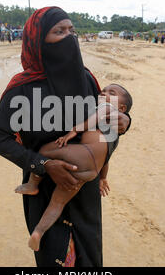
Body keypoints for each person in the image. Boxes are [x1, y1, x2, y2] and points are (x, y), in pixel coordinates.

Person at [0, 7, 131, 267]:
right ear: (38, 40)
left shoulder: (87, 80)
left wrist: (123, 123)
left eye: (71, 31)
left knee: (88, 261)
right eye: (59, 31)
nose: (69, 37)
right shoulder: (21, 89)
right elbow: (0, 139)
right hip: (44, 192)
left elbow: (105, 130)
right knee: (54, 260)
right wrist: (44, 165)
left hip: (84, 193)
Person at [15, 83, 133, 251]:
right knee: (58, 202)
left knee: (44, 151)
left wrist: (73, 131)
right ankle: (38, 233)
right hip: (91, 171)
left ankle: (32, 184)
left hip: (83, 155)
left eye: (111, 92)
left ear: (121, 108)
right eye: (103, 90)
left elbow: (92, 120)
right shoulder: (112, 131)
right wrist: (103, 177)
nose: (103, 93)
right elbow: (106, 158)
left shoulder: (107, 108)